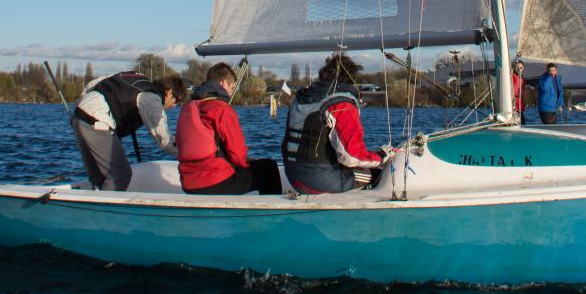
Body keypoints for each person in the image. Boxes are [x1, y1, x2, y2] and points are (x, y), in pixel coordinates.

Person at [283, 54, 394, 194]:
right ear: (351, 79)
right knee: (374, 174)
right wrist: (381, 157)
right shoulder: (342, 104)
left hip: (293, 176)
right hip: (318, 180)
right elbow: (351, 157)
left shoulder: (300, 99)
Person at [177, 62, 282, 195]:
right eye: (232, 87)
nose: (232, 92)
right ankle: (271, 208)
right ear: (224, 83)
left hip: (188, 182)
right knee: (269, 168)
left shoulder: (188, 108)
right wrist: (246, 162)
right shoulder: (221, 109)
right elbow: (237, 155)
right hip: (214, 182)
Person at [71, 70, 186, 191]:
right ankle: (109, 202)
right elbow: (164, 140)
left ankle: (96, 197)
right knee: (120, 176)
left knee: (99, 177)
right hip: (97, 121)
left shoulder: (136, 76)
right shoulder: (151, 98)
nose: (174, 106)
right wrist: (188, 152)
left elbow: (94, 83)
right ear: (168, 92)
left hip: (79, 116)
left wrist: (82, 101)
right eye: (176, 100)